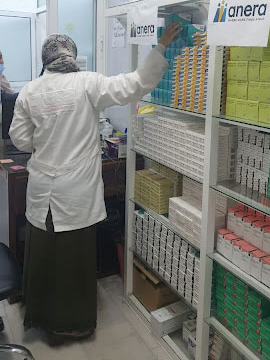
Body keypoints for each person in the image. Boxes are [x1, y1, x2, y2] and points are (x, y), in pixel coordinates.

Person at [9, 23, 182, 345]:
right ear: (72, 55)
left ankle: (41, 318)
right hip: (75, 191)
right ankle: (74, 324)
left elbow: (20, 138)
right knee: (74, 258)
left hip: (42, 187)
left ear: (44, 59)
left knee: (44, 253)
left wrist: (44, 141)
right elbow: (135, 84)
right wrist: (159, 48)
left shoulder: (31, 91)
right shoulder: (88, 83)